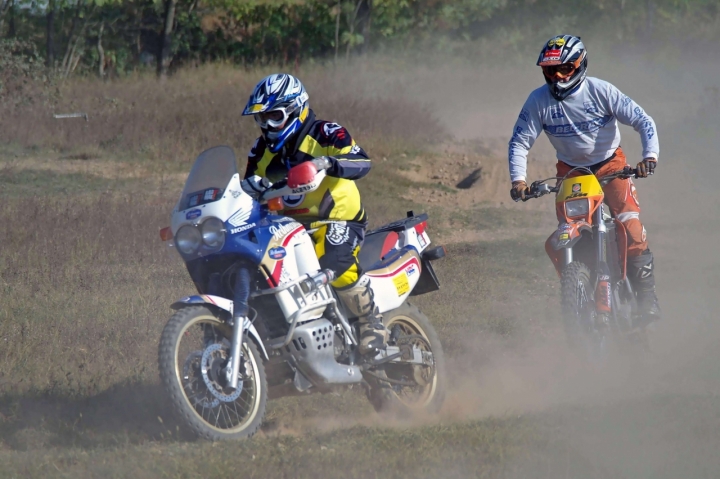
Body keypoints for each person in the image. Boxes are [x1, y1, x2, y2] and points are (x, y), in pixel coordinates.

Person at [508, 35, 661, 325]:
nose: (556, 76)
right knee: (567, 233)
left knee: (631, 227)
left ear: (580, 65)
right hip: (571, 172)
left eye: (564, 69)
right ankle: (580, 290)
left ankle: (646, 298)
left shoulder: (601, 91)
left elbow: (644, 121)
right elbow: (519, 142)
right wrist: (519, 180)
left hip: (611, 166)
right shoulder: (538, 100)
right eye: (550, 71)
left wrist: (649, 157)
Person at [240, 73, 387, 354]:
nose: (267, 125)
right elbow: (248, 190)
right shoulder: (260, 151)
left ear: (296, 108)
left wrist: (326, 163)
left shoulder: (326, 132)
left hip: (338, 218)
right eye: (261, 118)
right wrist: (245, 189)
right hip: (286, 228)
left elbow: (363, 161)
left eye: (274, 116)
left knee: (335, 259)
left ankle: (371, 323)